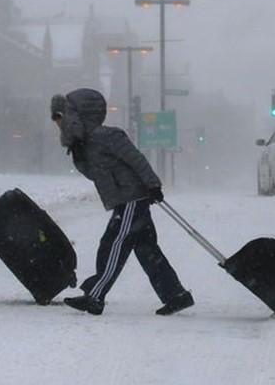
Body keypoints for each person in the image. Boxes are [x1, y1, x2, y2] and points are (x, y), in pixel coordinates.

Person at [53, 88, 193, 316]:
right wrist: (78, 151)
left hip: (131, 199)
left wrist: (153, 184)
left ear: (80, 116)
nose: (62, 122)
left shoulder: (108, 136)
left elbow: (136, 159)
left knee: (113, 246)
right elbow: (95, 174)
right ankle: (175, 295)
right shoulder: (86, 143)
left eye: (66, 116)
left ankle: (95, 296)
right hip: (125, 200)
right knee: (146, 249)